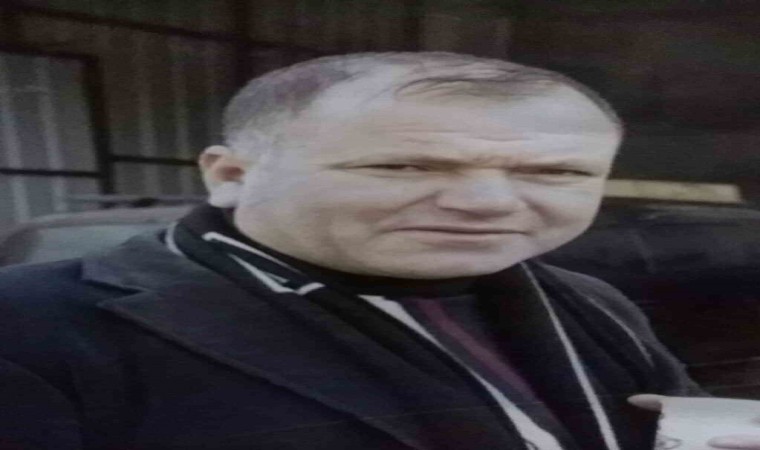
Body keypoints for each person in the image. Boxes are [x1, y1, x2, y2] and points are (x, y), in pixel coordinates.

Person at [0, 52, 756, 450]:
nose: (487, 203)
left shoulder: (588, 301)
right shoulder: (36, 328)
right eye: (404, 166)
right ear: (230, 175)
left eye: (555, 173)